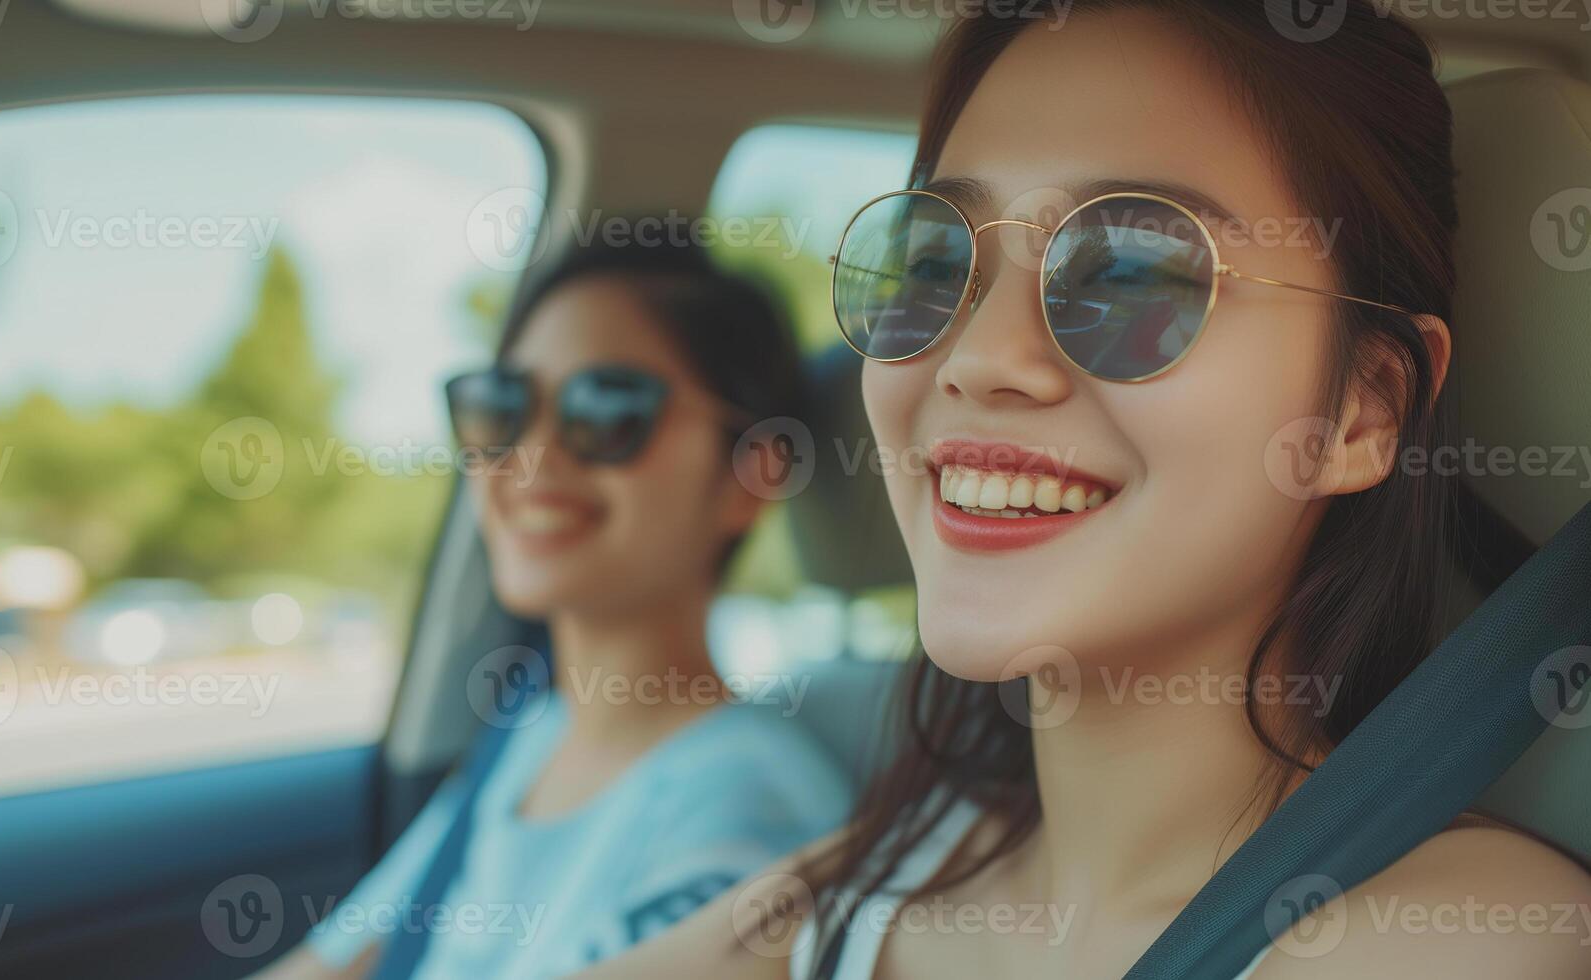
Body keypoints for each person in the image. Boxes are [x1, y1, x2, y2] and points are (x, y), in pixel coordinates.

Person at [580, 4, 1591, 978]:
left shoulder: (1472, 938)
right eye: (935, 261)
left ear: (1362, 412)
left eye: (1135, 272)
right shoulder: (882, 870)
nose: (977, 358)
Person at [258, 235, 853, 979]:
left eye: (607, 409)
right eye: (500, 407)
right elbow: (336, 962)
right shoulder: (531, 735)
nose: (530, 458)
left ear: (750, 475)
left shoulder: (750, 810)